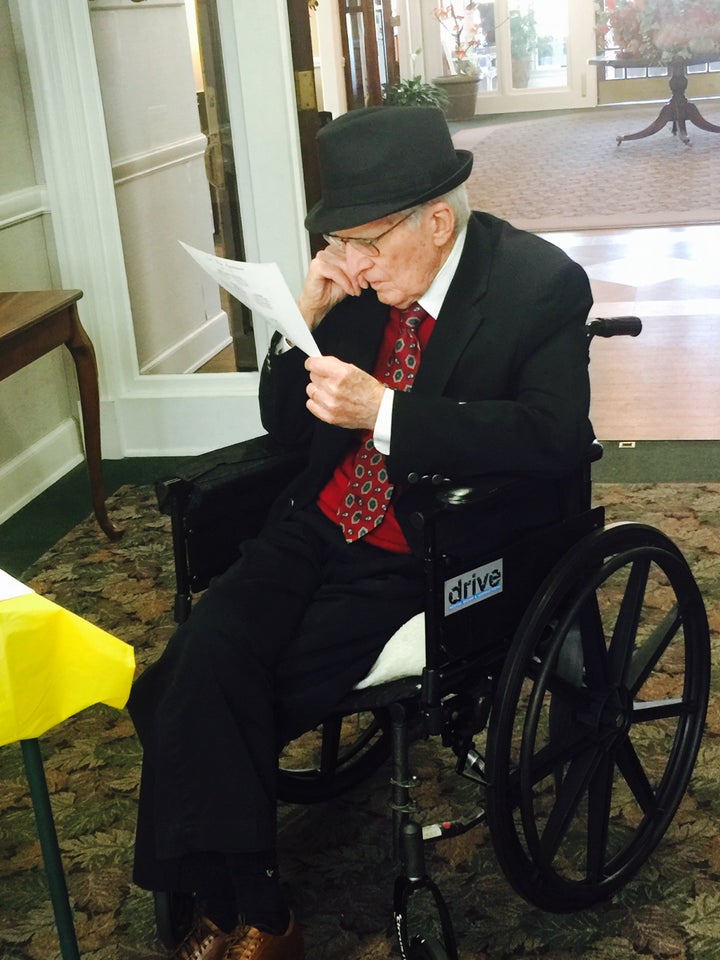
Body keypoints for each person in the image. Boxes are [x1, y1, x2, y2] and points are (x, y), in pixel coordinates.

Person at [128, 105, 595, 960]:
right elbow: (284, 430)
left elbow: (555, 437)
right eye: (337, 243)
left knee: (222, 696)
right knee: (179, 675)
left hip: (422, 548)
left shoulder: (540, 286)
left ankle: (247, 916)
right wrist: (298, 319)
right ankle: (264, 908)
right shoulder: (357, 283)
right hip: (313, 524)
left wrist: (390, 412)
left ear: (438, 222)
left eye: (365, 243)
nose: (350, 262)